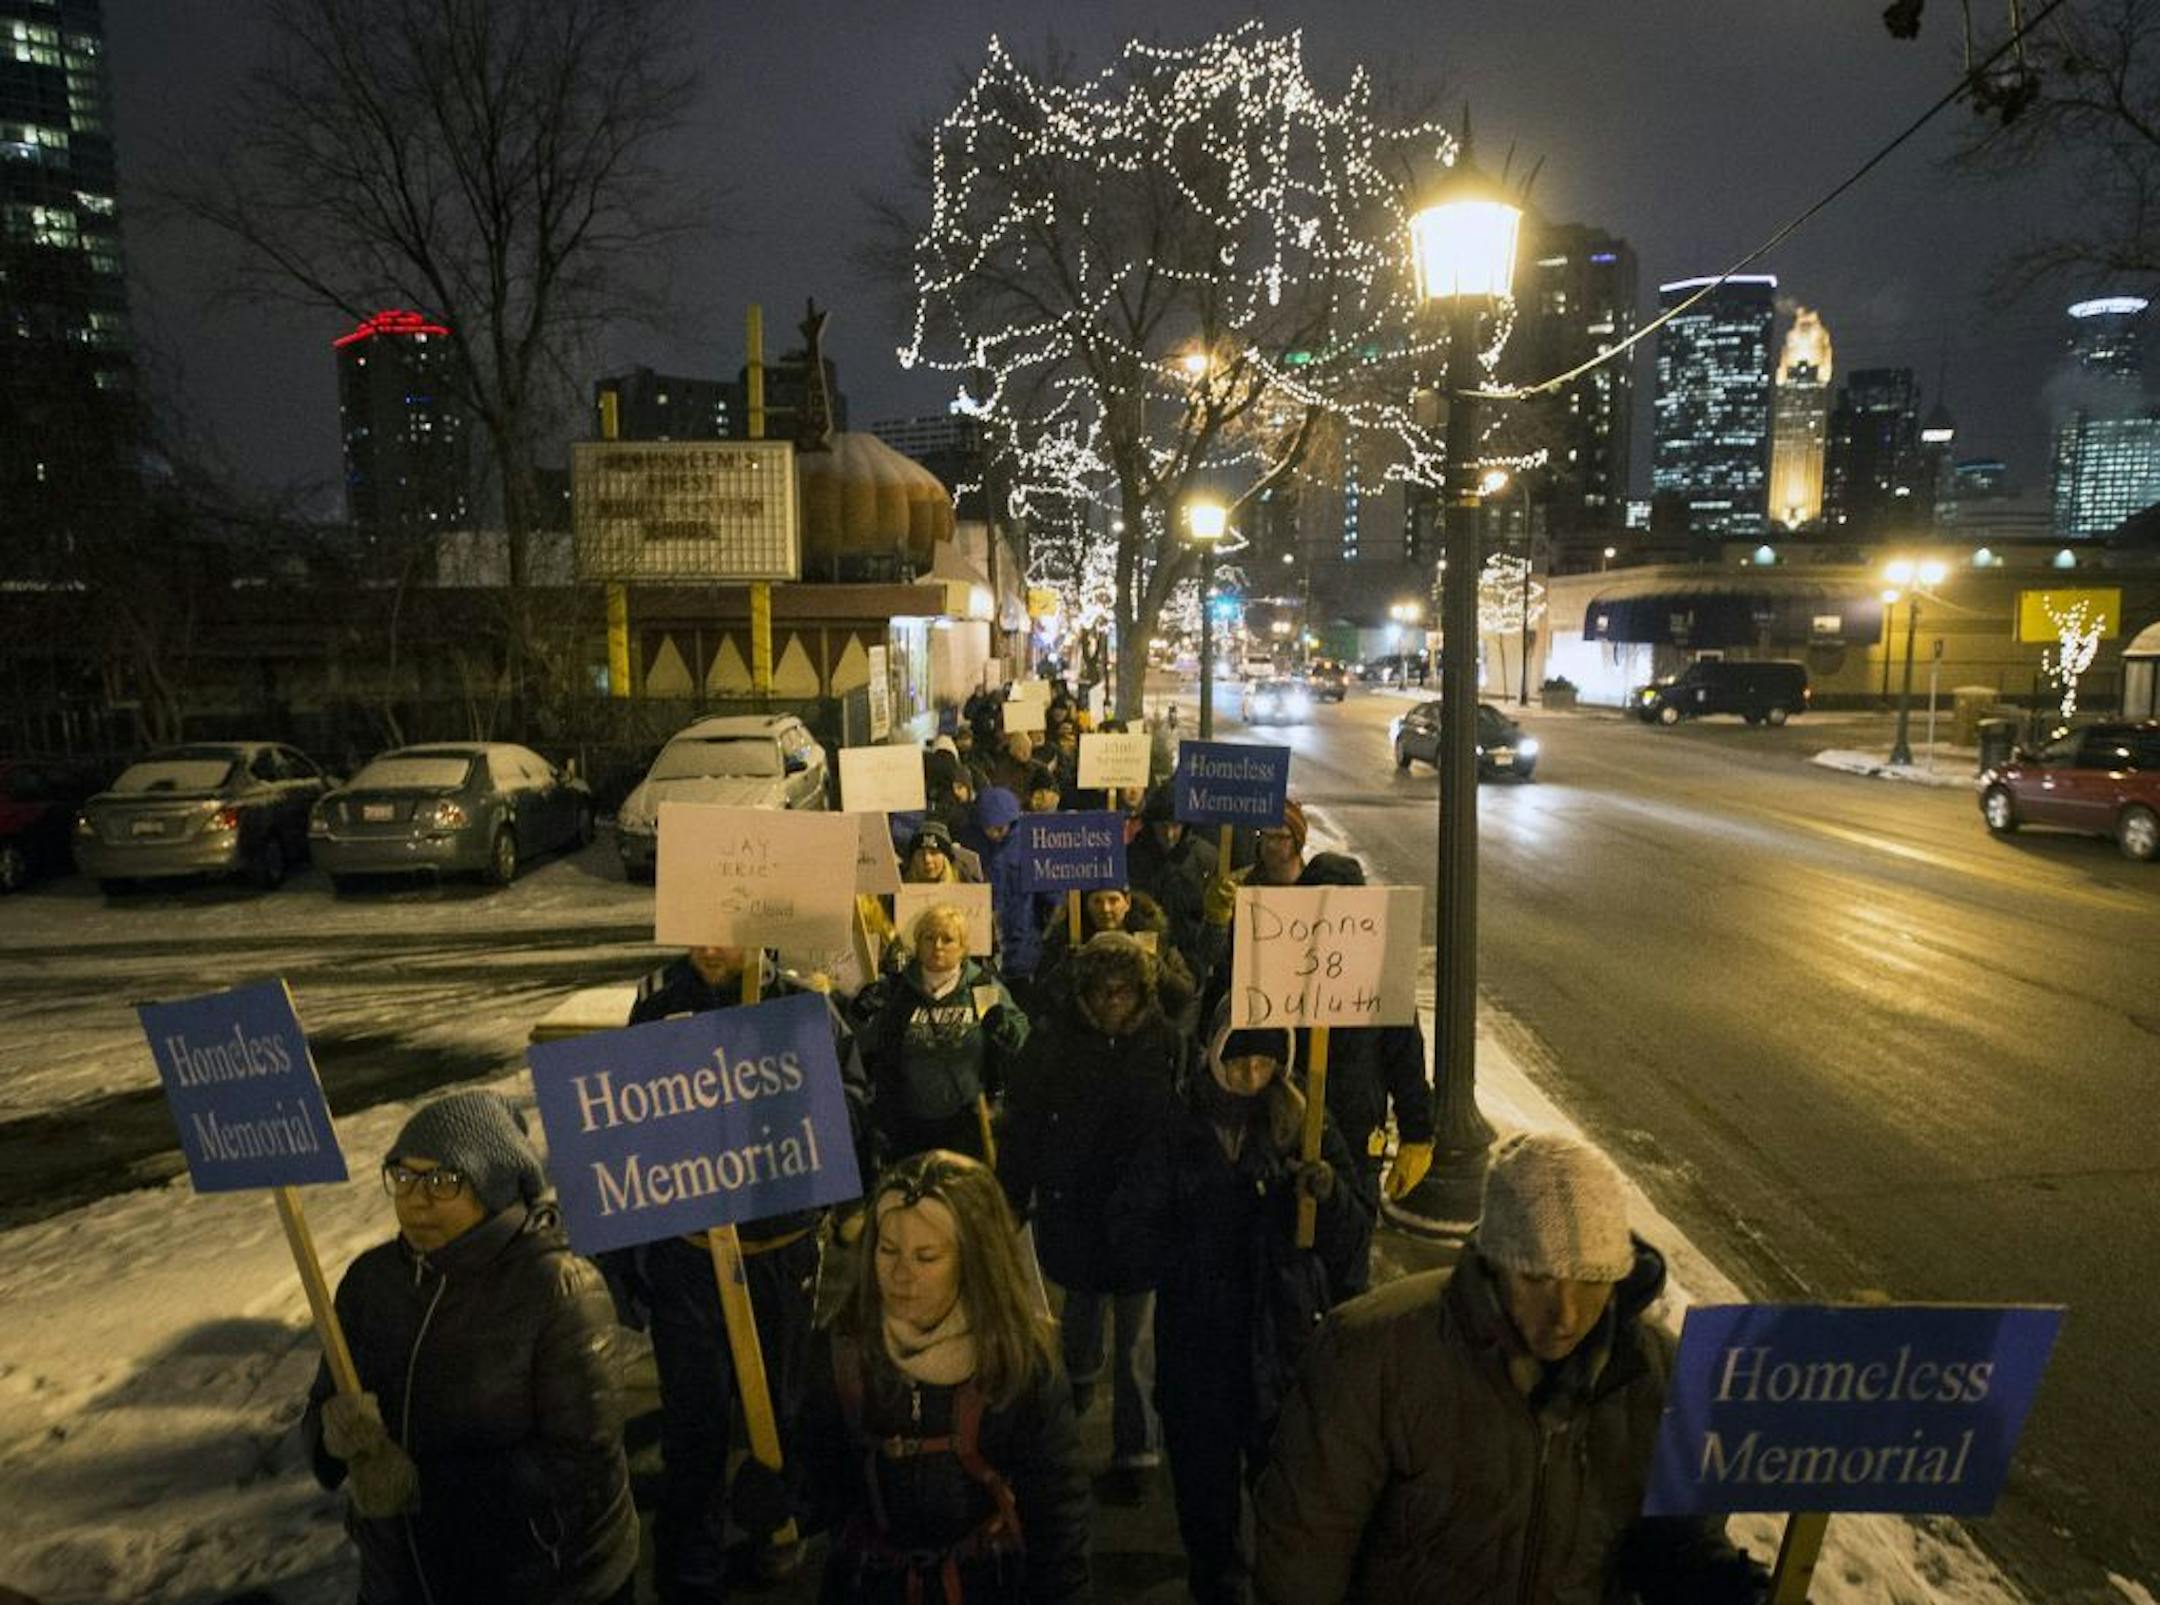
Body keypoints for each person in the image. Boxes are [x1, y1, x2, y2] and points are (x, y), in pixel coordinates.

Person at [1252, 1133, 1770, 1605]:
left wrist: (1720, 1583)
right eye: (1537, 1279)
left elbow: (1667, 1542)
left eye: (1590, 1280)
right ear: (1496, 1262)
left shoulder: (1658, 1375)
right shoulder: (1376, 1355)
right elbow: (1306, 1548)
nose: (1566, 1314)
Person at [302, 1092, 637, 1605]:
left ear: (494, 1188)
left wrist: (423, 1489)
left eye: (441, 1181)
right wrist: (331, 1435)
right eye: (404, 1175)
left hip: (541, 1581)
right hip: (401, 1579)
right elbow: (326, 1397)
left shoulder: (559, 1288)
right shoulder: (372, 1283)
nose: (414, 1198)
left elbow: (578, 1463)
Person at [620, 944, 871, 1604]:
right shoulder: (657, 1002)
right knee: (694, 1414)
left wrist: (785, 1091)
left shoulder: (800, 1005)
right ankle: (693, 1554)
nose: (711, 945)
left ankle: (775, 1524)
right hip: (690, 1251)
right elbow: (623, 1115)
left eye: (726, 930)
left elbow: (850, 1106)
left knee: (779, 1399)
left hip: (777, 1245)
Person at [1109, 1008, 1369, 1605]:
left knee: (1288, 1497)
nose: (1252, 1074)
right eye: (1239, 1059)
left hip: (1281, 1343)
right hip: (1198, 1342)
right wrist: (1186, 1239)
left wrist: (1326, 1197)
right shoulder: (1175, 1126)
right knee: (1205, 1499)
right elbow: (1129, 1225)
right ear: (1212, 1054)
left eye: (1265, 1060)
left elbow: (1351, 1238)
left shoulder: (1305, 1127)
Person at [792, 1150, 1091, 1604]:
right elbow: (826, 1489)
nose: (900, 1274)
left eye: (926, 1256)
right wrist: (786, 1496)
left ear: (973, 1260)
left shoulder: (1018, 1363)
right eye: (888, 1250)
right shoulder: (844, 1352)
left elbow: (1058, 1516)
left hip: (989, 1587)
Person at [1000, 931, 1185, 1502]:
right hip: (1075, 1208)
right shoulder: (1052, 1044)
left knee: (1135, 1346)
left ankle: (1136, 1452)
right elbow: (1025, 1121)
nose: (1111, 1002)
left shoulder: (1165, 1044)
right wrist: (1011, 1194)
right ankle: (1076, 1388)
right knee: (1079, 1313)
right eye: (1101, 991)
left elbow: (1181, 1131)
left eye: (1123, 991)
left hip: (1141, 1215)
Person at [1288, 853, 1436, 1295]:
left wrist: (1417, 1133)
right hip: (1286, 1134)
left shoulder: (1380, 976)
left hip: (1355, 1140)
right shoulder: (1278, 964)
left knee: (1347, 1255)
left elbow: (1404, 1057)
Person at [851, 903, 1028, 1164]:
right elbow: (863, 1046)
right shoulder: (898, 990)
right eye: (929, 938)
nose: (938, 946)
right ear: (917, 943)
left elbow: (1022, 1040)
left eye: (947, 939)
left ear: (963, 946)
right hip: (908, 1125)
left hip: (967, 1122)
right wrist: (862, 1014)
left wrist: (1002, 1026)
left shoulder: (982, 987)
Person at [1031, 883, 1199, 1034]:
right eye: (1097, 901)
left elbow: (1184, 995)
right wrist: (1068, 967)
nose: (1105, 908)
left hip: (1142, 1041)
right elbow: (1043, 999)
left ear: (1127, 902)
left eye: (1113, 900)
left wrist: (1156, 966)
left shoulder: (1152, 937)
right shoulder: (1067, 942)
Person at [1125, 784, 1218, 980]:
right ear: (1151, 825)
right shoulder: (1133, 856)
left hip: (1190, 961)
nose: (1169, 834)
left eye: (1175, 826)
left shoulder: (1204, 857)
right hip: (1144, 959)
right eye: (1163, 826)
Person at [902, 818, 983, 886]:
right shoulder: (899, 887)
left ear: (946, 858)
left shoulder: (966, 883)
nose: (927, 859)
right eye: (920, 854)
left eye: (934, 853)